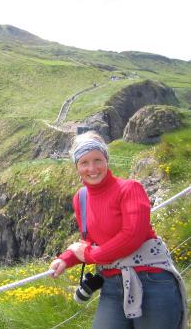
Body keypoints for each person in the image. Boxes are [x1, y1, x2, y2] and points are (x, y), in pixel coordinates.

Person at [49, 131, 186, 329]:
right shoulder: (81, 198)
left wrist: (88, 255)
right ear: (76, 166)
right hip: (112, 284)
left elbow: (132, 237)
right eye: (84, 162)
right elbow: (91, 241)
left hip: (152, 280)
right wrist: (66, 259)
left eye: (98, 160)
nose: (92, 168)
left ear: (106, 160)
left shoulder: (130, 189)